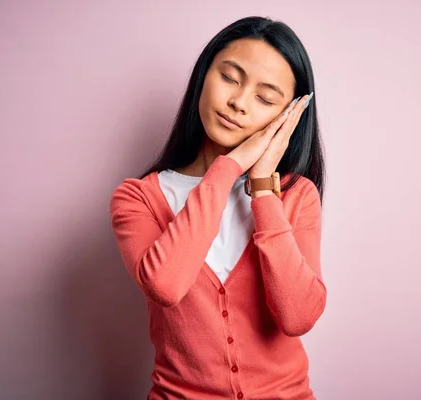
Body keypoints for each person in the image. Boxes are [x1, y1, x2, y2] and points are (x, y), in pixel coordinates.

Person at [110, 15, 327, 400]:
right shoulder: (138, 198)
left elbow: (298, 317)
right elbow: (166, 285)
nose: (238, 103)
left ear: (287, 117)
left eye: (264, 98)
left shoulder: (296, 196)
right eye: (229, 77)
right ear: (203, 77)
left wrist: (262, 189)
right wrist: (228, 168)